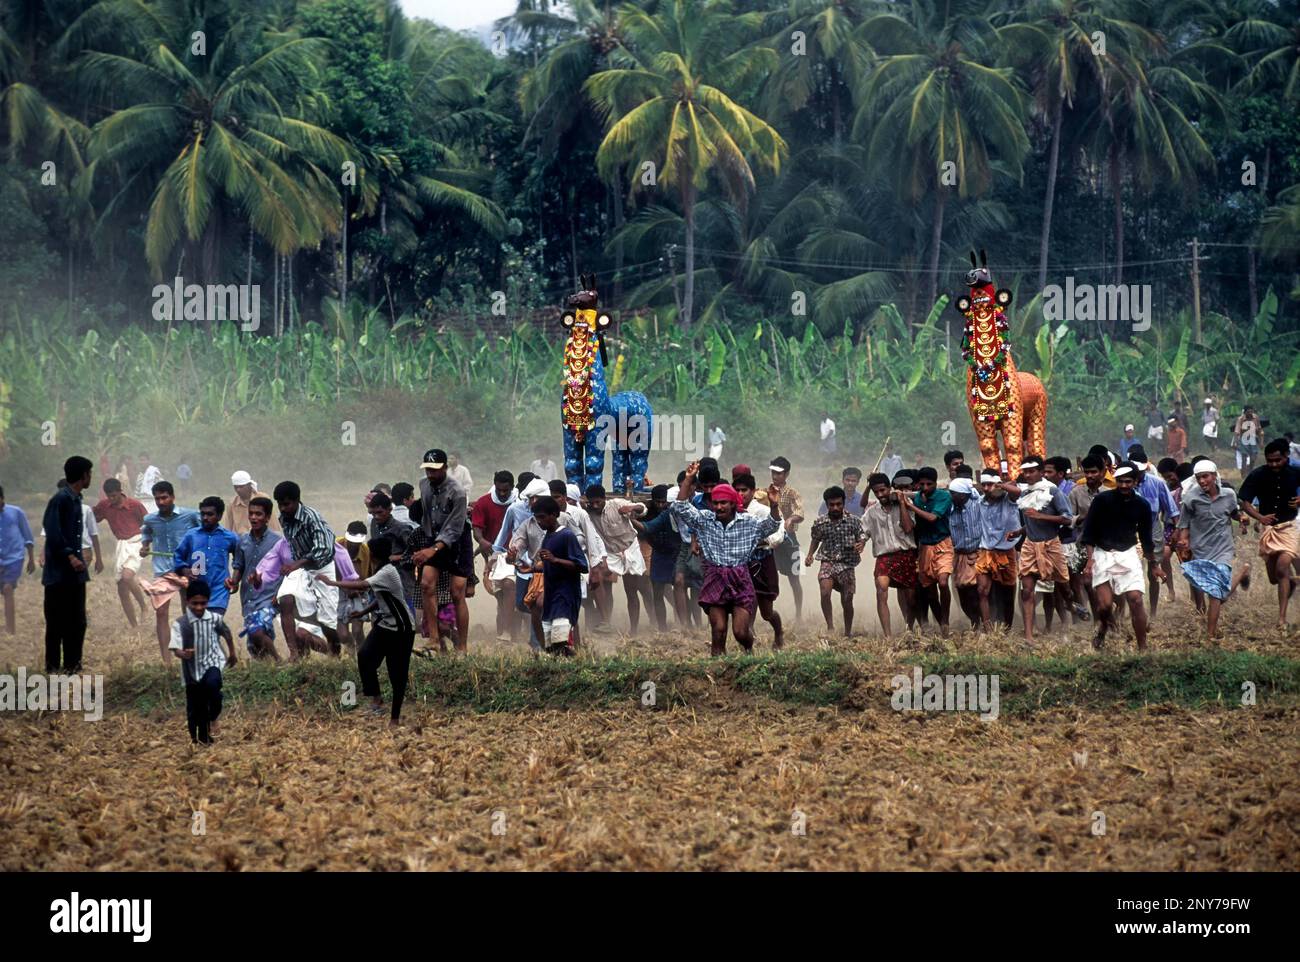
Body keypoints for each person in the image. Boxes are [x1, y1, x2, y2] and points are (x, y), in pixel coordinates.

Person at [670, 462, 781, 655]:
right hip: (715, 577)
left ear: (732, 504)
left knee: (740, 632)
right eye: (716, 503)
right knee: (718, 631)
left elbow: (772, 526)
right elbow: (680, 507)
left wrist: (774, 505)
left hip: (740, 578)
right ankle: (718, 668)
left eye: (724, 503)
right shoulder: (705, 520)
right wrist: (688, 479)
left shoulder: (748, 522)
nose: (719, 507)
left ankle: (749, 649)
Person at [319, 536, 417, 724]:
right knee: (364, 655)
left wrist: (332, 583)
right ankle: (376, 699)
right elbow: (380, 598)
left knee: (397, 672)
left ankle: (394, 718)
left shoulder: (387, 572)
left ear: (373, 554)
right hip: (385, 624)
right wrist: (362, 611)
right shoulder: (381, 569)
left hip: (402, 628)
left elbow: (362, 585)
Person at [1080, 462, 1157, 651]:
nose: (1123, 485)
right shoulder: (1102, 500)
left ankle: (1142, 647)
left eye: (1128, 482)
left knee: (1136, 600)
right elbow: (1089, 532)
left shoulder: (1142, 505)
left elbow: (1146, 539)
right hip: (1103, 554)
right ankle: (1104, 627)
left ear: (1136, 481)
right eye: (1120, 481)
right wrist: (1090, 561)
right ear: (1116, 481)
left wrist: (1154, 564)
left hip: (1128, 554)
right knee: (1105, 606)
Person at [1002, 457, 1074, 643]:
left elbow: (1067, 519)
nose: (1028, 475)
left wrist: (1040, 515)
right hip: (1030, 545)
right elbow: (1030, 521)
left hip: (1051, 544)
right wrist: (1018, 531)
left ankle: (1071, 607)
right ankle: (1028, 636)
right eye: (1025, 472)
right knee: (1027, 590)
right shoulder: (1025, 492)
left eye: (1032, 471)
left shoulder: (1052, 491)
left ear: (1041, 472)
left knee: (1063, 586)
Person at [411, 449, 472, 652]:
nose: (431, 474)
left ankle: (462, 647)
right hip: (434, 537)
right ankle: (434, 639)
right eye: (428, 469)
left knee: (457, 593)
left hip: (457, 541)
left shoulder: (458, 492)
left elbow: (455, 527)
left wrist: (433, 549)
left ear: (445, 468)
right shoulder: (423, 484)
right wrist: (427, 543)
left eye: (435, 470)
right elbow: (427, 515)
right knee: (427, 584)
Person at [1237, 438, 1300, 629]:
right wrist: (1260, 517)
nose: (1273, 464)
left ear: (1286, 457)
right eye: (1270, 460)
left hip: (1290, 527)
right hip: (1269, 530)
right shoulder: (1258, 475)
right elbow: (1245, 502)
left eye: (1278, 460)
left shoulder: (1296, 472)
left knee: (1282, 567)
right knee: (1274, 578)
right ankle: (1291, 583)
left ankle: (1281, 619)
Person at [273, 480, 341, 657]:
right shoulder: (284, 520)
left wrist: (297, 563)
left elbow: (324, 548)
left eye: (286, 504)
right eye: (280, 504)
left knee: (328, 623)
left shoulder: (312, 517)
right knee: (285, 599)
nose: (283, 508)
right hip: (301, 569)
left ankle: (335, 655)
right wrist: (296, 566)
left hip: (322, 567)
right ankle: (294, 654)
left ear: (297, 501)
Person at [1175, 461, 1241, 642]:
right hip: (1201, 548)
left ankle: (1210, 634)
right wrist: (1184, 539)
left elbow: (1234, 512)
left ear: (1214, 475)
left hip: (1223, 548)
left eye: (1205, 476)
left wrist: (1241, 518)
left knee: (1214, 593)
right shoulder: (1191, 498)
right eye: (1198, 478)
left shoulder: (1229, 495)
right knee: (1215, 592)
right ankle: (1244, 572)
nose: (1202, 481)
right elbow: (1184, 524)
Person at [41, 456, 94, 672]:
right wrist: (71, 556)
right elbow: (53, 532)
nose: (91, 477)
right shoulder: (60, 499)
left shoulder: (76, 499)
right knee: (56, 623)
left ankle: (73, 664)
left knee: (78, 621)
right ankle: (53, 667)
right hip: (58, 574)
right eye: (89, 473)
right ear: (83, 475)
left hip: (75, 575)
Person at [139, 481, 201, 662]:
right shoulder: (150, 519)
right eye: (157, 498)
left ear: (172, 497)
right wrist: (144, 546)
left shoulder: (189, 515)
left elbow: (203, 531)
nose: (161, 502)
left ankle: (190, 650)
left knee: (188, 609)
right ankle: (166, 661)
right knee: (161, 612)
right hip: (162, 571)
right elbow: (146, 534)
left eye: (164, 497)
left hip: (185, 569)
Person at [169, 579, 236, 744]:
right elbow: (175, 647)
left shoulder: (214, 618)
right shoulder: (181, 624)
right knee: (195, 708)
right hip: (191, 671)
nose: (199, 607)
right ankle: (200, 738)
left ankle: (212, 716)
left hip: (212, 662)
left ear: (208, 601)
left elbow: (226, 633)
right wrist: (183, 654)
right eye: (195, 603)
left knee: (214, 689)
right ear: (187, 602)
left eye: (203, 603)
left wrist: (232, 653)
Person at [585, 483, 650, 634]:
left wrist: (632, 508)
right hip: (610, 552)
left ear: (604, 499)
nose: (595, 505)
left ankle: (633, 630)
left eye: (598, 502)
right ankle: (606, 621)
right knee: (599, 580)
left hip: (629, 549)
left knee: (631, 590)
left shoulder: (616, 504)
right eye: (592, 502)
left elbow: (642, 508)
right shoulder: (588, 513)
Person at [860, 472, 917, 637]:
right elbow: (863, 532)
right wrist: (861, 542)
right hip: (884, 557)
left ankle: (909, 628)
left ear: (890, 489)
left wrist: (902, 503)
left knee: (911, 599)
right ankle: (888, 635)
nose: (880, 495)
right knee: (881, 589)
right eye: (876, 492)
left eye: (883, 491)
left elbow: (908, 528)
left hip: (906, 554)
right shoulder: (871, 512)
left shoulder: (905, 503)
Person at [531, 497, 589, 656]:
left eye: (542, 517)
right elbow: (547, 566)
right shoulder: (547, 538)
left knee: (559, 640)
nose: (539, 521)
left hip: (565, 595)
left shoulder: (567, 535)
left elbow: (582, 566)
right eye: (537, 518)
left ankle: (574, 664)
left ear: (555, 514)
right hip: (551, 596)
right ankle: (565, 667)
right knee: (550, 645)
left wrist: (555, 560)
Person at [1126, 445, 1180, 616]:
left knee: (1153, 570)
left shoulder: (1157, 483)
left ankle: (1153, 612)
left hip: (1152, 527)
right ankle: (1132, 608)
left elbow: (1171, 510)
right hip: (1130, 529)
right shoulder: (1124, 484)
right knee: (1132, 569)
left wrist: (1177, 530)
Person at [805, 485, 865, 636]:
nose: (835, 508)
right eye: (832, 505)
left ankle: (847, 631)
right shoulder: (820, 523)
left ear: (843, 503)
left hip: (847, 563)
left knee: (847, 599)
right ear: (827, 505)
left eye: (838, 504)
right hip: (827, 561)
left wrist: (860, 545)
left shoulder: (854, 522)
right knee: (825, 592)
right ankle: (830, 627)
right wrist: (810, 555)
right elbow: (815, 539)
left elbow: (862, 537)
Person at [734, 473, 784, 649]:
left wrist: (762, 541)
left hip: (763, 561)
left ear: (753, 491)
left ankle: (778, 632)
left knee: (767, 612)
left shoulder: (763, 510)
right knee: (747, 600)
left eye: (744, 490)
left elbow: (779, 532)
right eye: (737, 490)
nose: (741, 494)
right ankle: (748, 638)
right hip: (743, 562)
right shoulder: (732, 512)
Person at [904, 467, 954, 636]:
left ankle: (946, 620)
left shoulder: (944, 496)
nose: (925, 487)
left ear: (935, 483)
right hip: (925, 547)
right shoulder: (917, 497)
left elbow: (932, 518)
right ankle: (941, 624)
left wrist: (910, 507)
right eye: (922, 484)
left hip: (943, 544)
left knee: (943, 582)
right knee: (930, 591)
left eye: (929, 484)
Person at [92, 478, 149, 627]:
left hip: (136, 542)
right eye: (109, 496)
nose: (112, 499)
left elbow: (149, 525)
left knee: (127, 576)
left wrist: (146, 544)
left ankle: (144, 606)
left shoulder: (135, 505)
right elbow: (92, 518)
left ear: (120, 491)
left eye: (114, 495)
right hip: (121, 544)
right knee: (122, 588)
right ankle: (134, 626)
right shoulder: (105, 505)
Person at [231, 496, 283, 660]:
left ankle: (278, 661)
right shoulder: (243, 541)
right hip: (249, 597)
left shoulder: (278, 542)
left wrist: (281, 594)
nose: (254, 517)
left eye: (259, 514)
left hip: (270, 596)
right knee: (255, 643)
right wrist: (234, 582)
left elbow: (286, 570)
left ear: (267, 517)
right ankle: (267, 668)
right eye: (251, 514)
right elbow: (239, 565)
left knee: (256, 630)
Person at [172, 496, 240, 616]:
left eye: (210, 514)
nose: (205, 518)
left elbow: (239, 559)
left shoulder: (230, 537)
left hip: (219, 590)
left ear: (219, 516)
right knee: (198, 628)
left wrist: (234, 579)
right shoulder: (191, 536)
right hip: (196, 591)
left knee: (213, 624)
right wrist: (184, 570)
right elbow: (177, 557)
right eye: (203, 514)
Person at [472, 470, 518, 642]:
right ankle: (505, 627)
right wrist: (482, 541)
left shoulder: (519, 502)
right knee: (500, 592)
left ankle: (508, 629)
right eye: (499, 490)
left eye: (506, 490)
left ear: (512, 487)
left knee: (510, 587)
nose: (503, 494)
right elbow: (477, 528)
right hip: (494, 554)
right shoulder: (484, 502)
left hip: (517, 553)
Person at [975, 469, 1020, 631]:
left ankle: (1007, 628)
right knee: (982, 590)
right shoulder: (979, 502)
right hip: (985, 551)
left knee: (1008, 592)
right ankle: (987, 629)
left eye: (990, 484)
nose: (987, 488)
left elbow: (1017, 491)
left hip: (1006, 551)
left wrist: (1001, 486)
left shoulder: (1009, 499)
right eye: (984, 485)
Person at [633, 485, 681, 632]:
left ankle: (684, 622)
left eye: (663, 502)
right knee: (658, 591)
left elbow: (647, 528)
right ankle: (662, 627)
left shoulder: (674, 513)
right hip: (658, 553)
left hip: (676, 554)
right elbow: (646, 528)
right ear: (652, 501)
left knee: (679, 589)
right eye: (658, 502)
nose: (661, 505)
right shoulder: (648, 512)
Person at [1067, 456, 1107, 619]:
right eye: (1087, 472)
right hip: (1083, 544)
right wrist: (1083, 518)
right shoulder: (1076, 492)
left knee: (1107, 584)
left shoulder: (1108, 494)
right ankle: (1095, 618)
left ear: (1102, 473)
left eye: (1093, 472)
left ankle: (1112, 616)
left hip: (1105, 545)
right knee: (1084, 582)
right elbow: (1068, 519)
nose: (1090, 476)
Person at [768, 456, 805, 621]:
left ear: (786, 474)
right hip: (771, 539)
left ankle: (799, 613)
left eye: (779, 473)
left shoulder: (792, 492)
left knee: (794, 578)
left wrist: (790, 520)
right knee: (769, 575)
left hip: (790, 538)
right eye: (773, 472)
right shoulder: (766, 491)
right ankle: (769, 612)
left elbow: (800, 512)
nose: (775, 476)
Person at [946, 478, 983, 627]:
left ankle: (983, 622)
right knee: (962, 592)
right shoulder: (950, 508)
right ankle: (974, 621)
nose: (951, 496)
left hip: (978, 553)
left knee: (977, 591)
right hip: (959, 555)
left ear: (962, 495)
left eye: (953, 494)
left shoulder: (978, 504)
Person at [0, 484, 36, 636]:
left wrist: (31, 559)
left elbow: (27, 536)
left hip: (15, 557)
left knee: (8, 589)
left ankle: (10, 630)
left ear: (2, 498)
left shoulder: (16, 512)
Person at [228, 470, 277, 535]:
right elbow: (228, 527)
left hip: (263, 538)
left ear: (249, 485)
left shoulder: (263, 498)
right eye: (236, 487)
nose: (238, 490)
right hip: (242, 541)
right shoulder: (232, 503)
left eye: (241, 486)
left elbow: (273, 524)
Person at [1233, 406, 1263, 472]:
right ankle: (1244, 474)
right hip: (1243, 439)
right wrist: (1235, 442)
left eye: (1251, 412)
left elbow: (1260, 430)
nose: (1250, 413)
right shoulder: (1240, 419)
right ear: (1244, 413)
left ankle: (1250, 470)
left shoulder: (1255, 417)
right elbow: (1237, 431)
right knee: (1244, 457)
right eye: (1248, 412)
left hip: (1253, 439)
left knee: (1253, 457)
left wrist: (1261, 442)